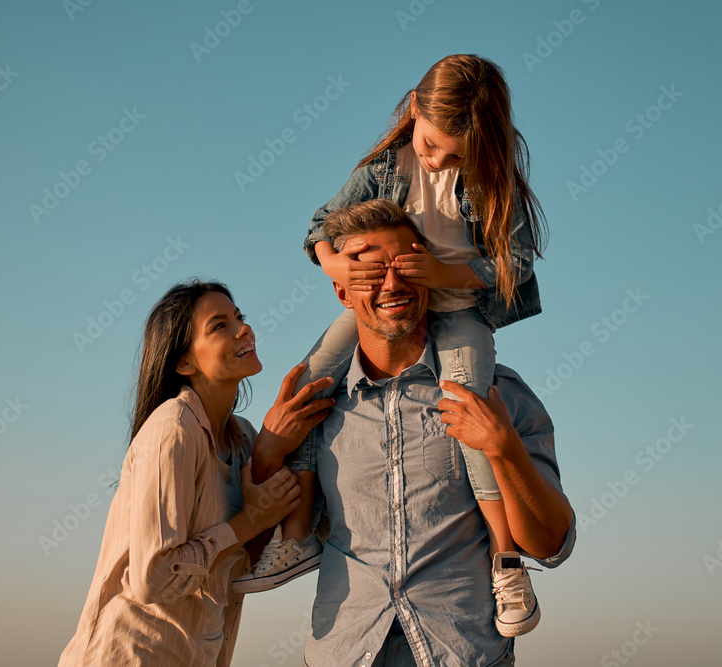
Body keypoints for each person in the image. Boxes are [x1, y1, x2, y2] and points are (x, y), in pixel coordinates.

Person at [233, 53, 549, 637]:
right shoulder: (386, 167)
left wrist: (442, 275)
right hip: (389, 301)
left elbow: (519, 266)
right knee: (309, 387)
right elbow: (320, 229)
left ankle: (507, 561)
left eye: (455, 156)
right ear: (414, 111)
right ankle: (298, 537)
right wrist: (341, 270)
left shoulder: (493, 180)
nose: (437, 160)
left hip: (460, 309)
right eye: (432, 144)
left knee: (469, 407)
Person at [248, 202, 576, 665]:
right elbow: (255, 550)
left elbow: (551, 545)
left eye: (406, 265)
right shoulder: (316, 411)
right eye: (371, 271)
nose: (392, 283)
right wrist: (266, 452)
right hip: (344, 650)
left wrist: (504, 451)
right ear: (342, 291)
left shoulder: (495, 395)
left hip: (466, 652)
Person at [57, 280, 333, 667]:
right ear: (184, 362)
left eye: (239, 317)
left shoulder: (243, 441)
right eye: (219, 325)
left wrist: (272, 448)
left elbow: (257, 556)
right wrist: (248, 520)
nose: (243, 329)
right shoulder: (174, 428)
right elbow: (153, 578)